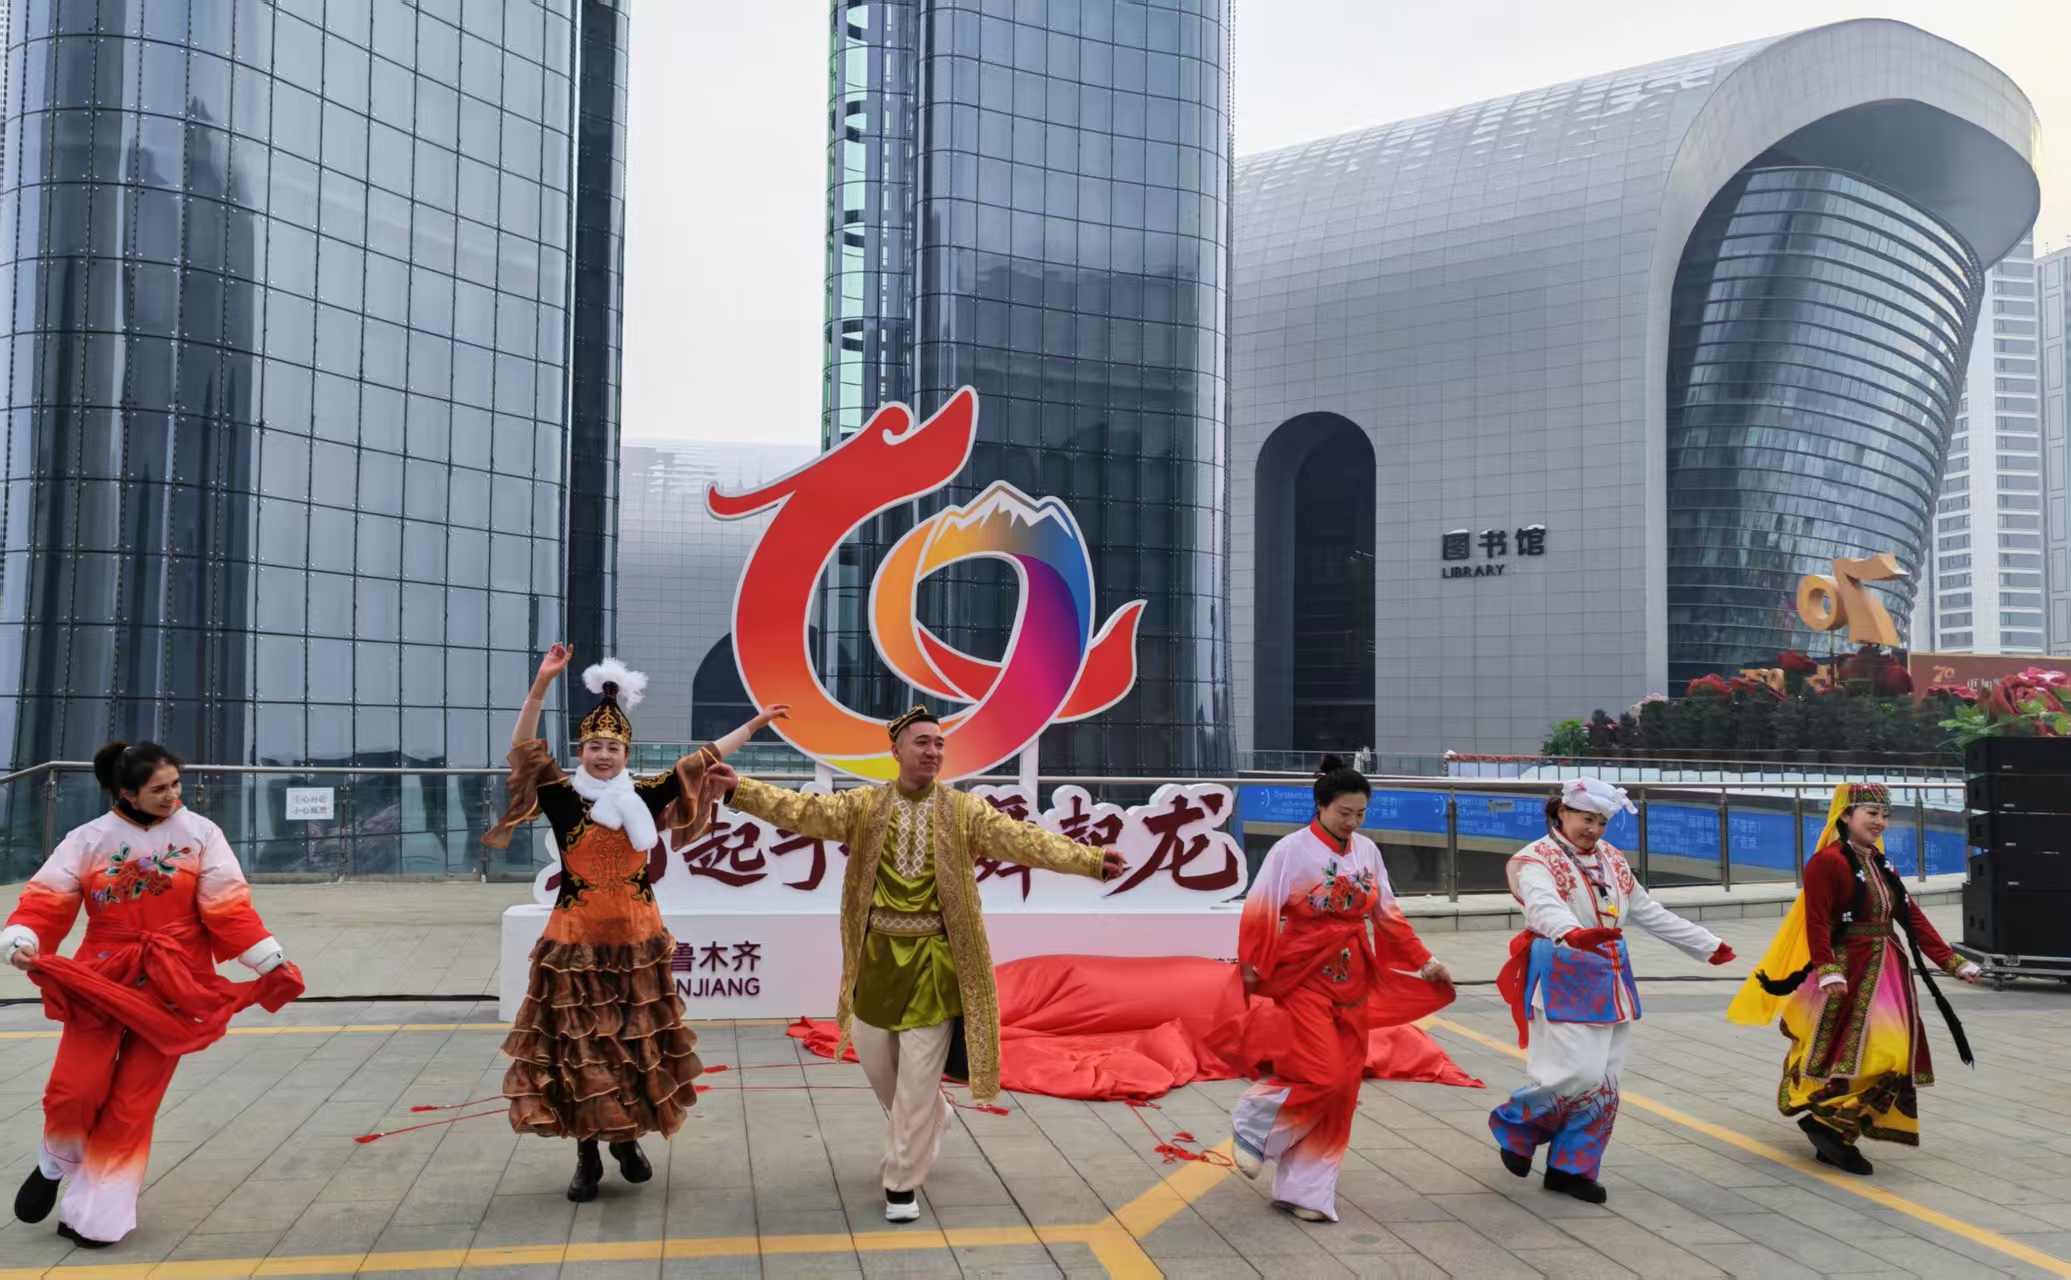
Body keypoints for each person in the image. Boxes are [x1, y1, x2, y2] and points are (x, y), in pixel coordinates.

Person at [703, 706, 1127, 1224]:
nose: (932, 751)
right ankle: (935, 1117)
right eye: (922, 742)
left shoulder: (963, 811)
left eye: (939, 744)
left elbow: (1024, 840)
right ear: (897, 751)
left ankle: (901, 1182)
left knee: (917, 1079)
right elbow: (802, 810)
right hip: (877, 961)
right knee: (879, 1065)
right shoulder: (864, 805)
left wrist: (1088, 859)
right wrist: (740, 790)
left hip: (934, 961)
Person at [484, 643, 783, 1202]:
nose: (603, 756)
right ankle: (587, 1155)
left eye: (614, 747)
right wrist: (542, 684)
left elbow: (700, 761)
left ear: (627, 753)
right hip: (574, 949)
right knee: (580, 1054)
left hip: (638, 945)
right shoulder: (562, 797)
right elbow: (524, 746)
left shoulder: (643, 796)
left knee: (632, 1047)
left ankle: (625, 1141)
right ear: (581, 750)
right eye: (595, 746)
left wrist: (755, 724)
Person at [4, 741, 302, 1247]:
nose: (173, 795)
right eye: (159, 788)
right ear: (127, 793)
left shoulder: (201, 834)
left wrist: (268, 959)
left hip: (174, 981)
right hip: (103, 976)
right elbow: (45, 901)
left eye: (175, 784)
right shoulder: (88, 839)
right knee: (76, 1089)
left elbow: (228, 907)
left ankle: (96, 1216)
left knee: (132, 1104)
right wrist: (22, 940)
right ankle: (55, 1159)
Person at [1229, 755, 1455, 1222]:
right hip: (1302, 972)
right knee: (1324, 1074)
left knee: (1345, 1086)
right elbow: (1260, 908)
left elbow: (1386, 914)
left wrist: (1425, 961)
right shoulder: (1290, 850)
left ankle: (1306, 1191)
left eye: (1360, 813)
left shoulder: (1367, 851)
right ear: (1320, 805)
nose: (1352, 822)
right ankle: (1255, 1124)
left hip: (1354, 973)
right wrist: (1250, 965)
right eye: (1343, 812)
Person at [1488, 778, 1735, 1203]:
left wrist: (1705, 944)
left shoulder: (1612, 859)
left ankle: (1572, 1168)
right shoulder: (1534, 859)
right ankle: (1516, 1122)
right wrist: (1571, 932)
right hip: (1563, 969)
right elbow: (1542, 904)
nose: (1595, 830)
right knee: (1576, 1074)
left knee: (1604, 1081)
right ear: (1562, 812)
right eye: (1587, 819)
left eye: (1601, 822)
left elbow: (1646, 910)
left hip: (1611, 974)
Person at [1728, 783, 1980, 1173]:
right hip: (1848, 970)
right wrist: (1828, 970)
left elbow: (1911, 917)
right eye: (1871, 814)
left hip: (1889, 972)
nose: (1880, 822)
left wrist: (1952, 962)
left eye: (1885, 816)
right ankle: (1829, 1125)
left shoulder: (1881, 863)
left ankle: (1832, 1127)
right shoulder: (1826, 863)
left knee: (1895, 1056)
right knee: (1865, 1053)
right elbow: (1816, 922)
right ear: (1846, 815)